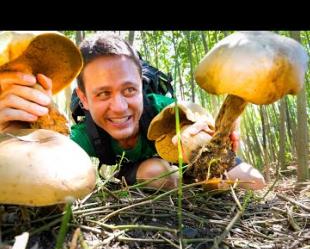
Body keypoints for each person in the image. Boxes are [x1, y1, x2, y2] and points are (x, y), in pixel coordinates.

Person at [0, 33, 266, 191]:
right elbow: (45, 168)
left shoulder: (165, 110)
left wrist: (213, 140)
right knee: (160, 174)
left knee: (251, 181)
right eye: (103, 93)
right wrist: (11, 132)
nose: (119, 107)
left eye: (128, 90)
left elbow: (256, 183)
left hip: (186, 163)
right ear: (84, 99)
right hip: (142, 172)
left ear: (141, 86)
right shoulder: (84, 135)